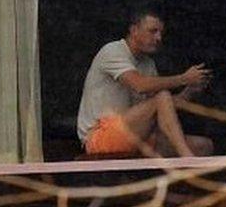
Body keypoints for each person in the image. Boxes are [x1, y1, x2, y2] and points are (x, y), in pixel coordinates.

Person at [76, 11, 213, 158]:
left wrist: (189, 91)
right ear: (134, 30)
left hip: (135, 136)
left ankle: (184, 174)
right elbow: (140, 85)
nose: (158, 38)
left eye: (161, 33)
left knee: (203, 146)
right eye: (153, 31)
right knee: (162, 96)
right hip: (101, 138)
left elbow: (164, 106)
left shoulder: (148, 63)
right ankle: (187, 158)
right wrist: (184, 78)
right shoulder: (112, 51)